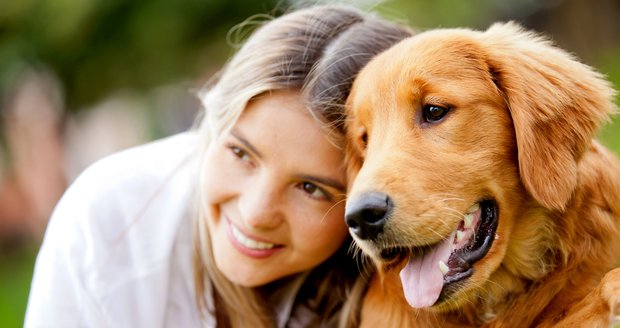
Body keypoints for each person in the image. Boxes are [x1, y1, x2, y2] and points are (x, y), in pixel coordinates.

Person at [24, 5, 412, 328]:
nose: (256, 213)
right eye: (241, 154)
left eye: (311, 188)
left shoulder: (398, 286)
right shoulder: (110, 226)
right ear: (212, 120)